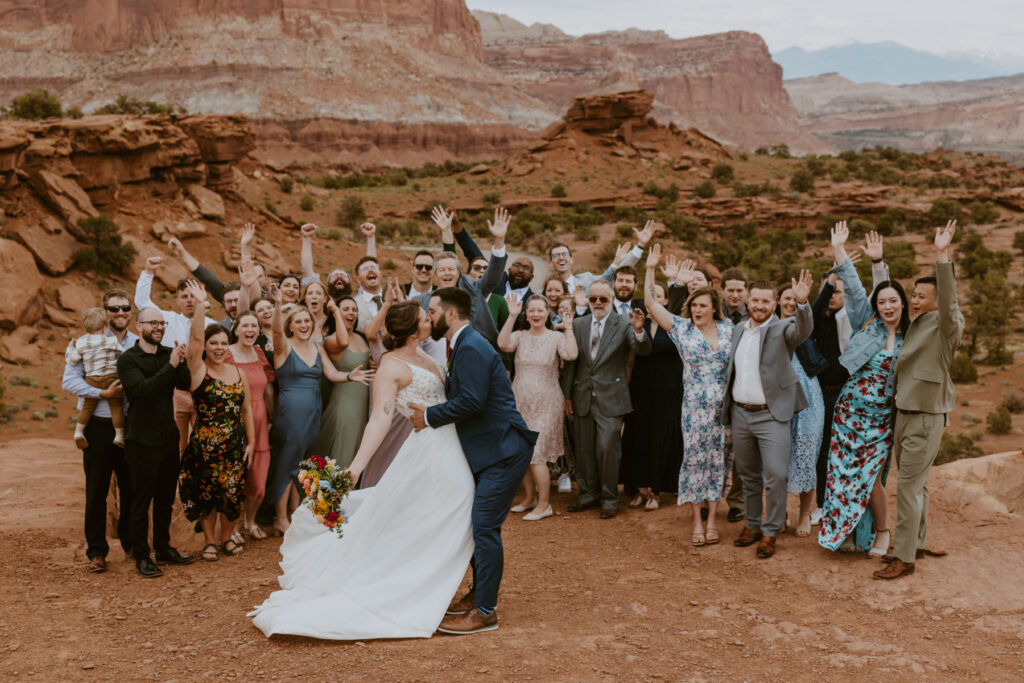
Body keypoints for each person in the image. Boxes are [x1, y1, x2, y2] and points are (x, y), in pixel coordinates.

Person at [250, 299, 475, 640]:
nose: (431, 318)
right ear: (414, 329)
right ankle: (419, 587)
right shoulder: (389, 365)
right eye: (424, 316)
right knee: (447, 513)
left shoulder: (427, 355)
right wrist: (354, 469)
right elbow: (380, 418)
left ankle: (433, 583)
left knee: (440, 515)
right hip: (428, 451)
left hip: (447, 446)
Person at [412, 287, 538, 634]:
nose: (430, 316)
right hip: (489, 450)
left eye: (433, 310)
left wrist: (430, 416)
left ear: (450, 314)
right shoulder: (464, 344)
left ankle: (485, 611)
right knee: (474, 525)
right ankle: (478, 595)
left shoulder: (472, 346)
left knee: (484, 526)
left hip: (503, 450)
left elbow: (471, 401)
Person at [875, 220, 963, 580]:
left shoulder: (946, 325)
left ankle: (904, 557)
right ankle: (917, 542)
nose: (914, 299)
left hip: (926, 416)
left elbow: (950, 299)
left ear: (937, 300)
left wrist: (942, 255)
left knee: (908, 487)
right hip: (905, 414)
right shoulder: (916, 324)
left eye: (920, 295)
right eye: (913, 294)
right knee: (918, 485)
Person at [818, 223, 908, 557]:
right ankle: (851, 536)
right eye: (882, 301)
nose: (886, 306)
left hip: (881, 418)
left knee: (870, 478)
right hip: (849, 413)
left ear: (902, 305)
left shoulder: (907, 340)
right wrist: (839, 251)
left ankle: (882, 532)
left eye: (893, 301)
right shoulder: (866, 323)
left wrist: (879, 264)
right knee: (843, 475)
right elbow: (855, 291)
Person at [265, 284, 372, 535]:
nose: (303, 325)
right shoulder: (283, 347)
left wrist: (350, 376)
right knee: (287, 461)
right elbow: (276, 330)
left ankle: (294, 513)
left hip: (313, 411)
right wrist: (279, 305)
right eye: (298, 321)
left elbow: (332, 373)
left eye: (306, 321)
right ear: (291, 325)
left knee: (301, 463)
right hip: (291, 412)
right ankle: (280, 518)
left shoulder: (317, 347)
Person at [644, 248, 734, 544]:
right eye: (694, 305)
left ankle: (712, 521)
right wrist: (650, 268)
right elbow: (650, 304)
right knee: (695, 462)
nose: (697, 310)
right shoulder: (682, 329)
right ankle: (697, 521)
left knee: (718, 463)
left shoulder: (729, 329)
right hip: (694, 409)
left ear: (713, 307)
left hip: (722, 410)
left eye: (703, 306)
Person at [724, 270, 813, 559]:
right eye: (755, 301)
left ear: (774, 304)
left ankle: (771, 531)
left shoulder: (783, 328)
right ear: (748, 302)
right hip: (740, 413)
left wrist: (801, 302)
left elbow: (803, 330)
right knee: (748, 475)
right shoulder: (738, 329)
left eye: (766, 302)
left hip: (772, 415)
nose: (760, 306)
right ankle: (752, 524)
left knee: (775, 474)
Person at [562, 280, 652, 518]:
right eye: (593, 299)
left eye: (603, 299)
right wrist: (567, 395)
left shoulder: (624, 323)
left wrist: (639, 330)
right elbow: (571, 363)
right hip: (582, 396)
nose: (598, 303)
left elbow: (642, 350)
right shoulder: (578, 324)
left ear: (612, 299)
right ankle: (587, 495)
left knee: (607, 449)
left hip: (612, 397)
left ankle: (609, 498)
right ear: (588, 301)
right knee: (584, 450)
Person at [179, 282, 255, 561]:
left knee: (232, 497)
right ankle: (210, 541)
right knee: (207, 497)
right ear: (206, 347)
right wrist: (200, 306)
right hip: (204, 449)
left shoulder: (238, 372)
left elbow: (247, 409)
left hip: (235, 447)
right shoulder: (198, 371)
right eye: (214, 343)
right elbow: (195, 341)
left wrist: (252, 442)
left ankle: (227, 539)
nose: (220, 348)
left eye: (224, 343)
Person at [62, 289, 137, 573]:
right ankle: (96, 550)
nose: (120, 313)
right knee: (96, 489)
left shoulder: (137, 343)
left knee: (131, 488)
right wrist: (101, 393)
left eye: (125, 308)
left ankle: (132, 542)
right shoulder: (81, 344)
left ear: (131, 311)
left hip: (129, 425)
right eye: (114, 309)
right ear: (106, 314)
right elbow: (68, 381)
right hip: (97, 426)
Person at [116, 306, 195, 578]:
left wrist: (180, 361)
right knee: (140, 501)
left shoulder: (167, 354)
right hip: (141, 441)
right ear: (139, 326)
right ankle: (142, 555)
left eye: (161, 323)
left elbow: (184, 383)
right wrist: (171, 365)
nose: (159, 328)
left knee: (164, 500)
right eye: (153, 323)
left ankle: (163, 548)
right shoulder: (128, 360)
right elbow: (142, 391)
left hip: (167, 437)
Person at [499, 294, 578, 521]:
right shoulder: (520, 336)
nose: (535, 314)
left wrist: (569, 328)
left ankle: (544, 505)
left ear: (547, 314)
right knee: (523, 452)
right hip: (521, 401)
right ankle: (529, 498)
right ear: (526, 314)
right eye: (531, 310)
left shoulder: (556, 337)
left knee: (537, 454)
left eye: (540, 310)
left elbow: (571, 354)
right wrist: (512, 316)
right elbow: (502, 343)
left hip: (547, 402)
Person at [134, 255, 218, 456]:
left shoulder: (212, 326)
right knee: (174, 445)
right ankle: (173, 488)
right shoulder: (167, 320)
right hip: (173, 393)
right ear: (178, 299)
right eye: (184, 296)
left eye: (193, 295)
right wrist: (148, 273)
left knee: (204, 445)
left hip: (203, 390)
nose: (190, 300)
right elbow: (142, 303)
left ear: (202, 296)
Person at [619, 279, 682, 512]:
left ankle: (656, 490)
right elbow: (630, 361)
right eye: (650, 295)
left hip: (667, 390)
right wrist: (625, 391)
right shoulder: (638, 324)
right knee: (637, 437)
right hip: (640, 388)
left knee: (660, 438)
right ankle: (640, 488)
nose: (654, 299)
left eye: (659, 295)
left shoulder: (675, 325)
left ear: (666, 301)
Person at [415, 207, 509, 347]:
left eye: (451, 270)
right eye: (442, 270)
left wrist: (499, 240)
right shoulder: (422, 302)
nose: (447, 273)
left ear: (459, 273)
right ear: (435, 274)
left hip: (478, 355)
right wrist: (445, 230)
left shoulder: (473, 289)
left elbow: (493, 276)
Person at [776, 283, 827, 537]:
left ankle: (804, 513)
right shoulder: (769, 327)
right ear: (777, 300)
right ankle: (780, 511)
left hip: (808, 394)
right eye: (786, 298)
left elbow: (816, 308)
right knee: (778, 457)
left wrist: (825, 286)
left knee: (807, 453)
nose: (790, 303)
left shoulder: (807, 324)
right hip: (778, 397)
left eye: (794, 299)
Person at [226, 311, 275, 541]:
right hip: (234, 419)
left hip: (259, 417)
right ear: (236, 330)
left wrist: (272, 417)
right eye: (245, 325)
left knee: (258, 477)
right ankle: (232, 527)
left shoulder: (259, 352)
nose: (250, 330)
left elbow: (268, 389)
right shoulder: (226, 354)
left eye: (254, 326)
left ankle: (251, 521)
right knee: (235, 477)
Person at [313, 295, 371, 468]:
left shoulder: (361, 337)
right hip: (345, 406)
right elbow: (343, 341)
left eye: (354, 309)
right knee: (343, 454)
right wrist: (335, 311)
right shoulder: (331, 340)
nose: (351, 312)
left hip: (363, 404)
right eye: (345, 309)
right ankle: (337, 493)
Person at [66, 307, 125, 450]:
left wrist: (70, 348)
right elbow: (124, 355)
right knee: (116, 406)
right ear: (105, 328)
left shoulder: (81, 344)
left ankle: (78, 432)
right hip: (111, 377)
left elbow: (72, 361)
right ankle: (119, 436)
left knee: (87, 407)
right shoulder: (111, 341)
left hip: (92, 379)